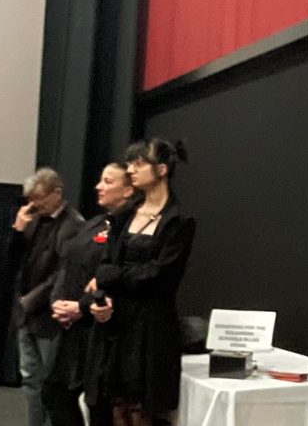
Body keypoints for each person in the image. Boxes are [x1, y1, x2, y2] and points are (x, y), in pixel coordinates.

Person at [86, 138, 196, 426]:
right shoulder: (124, 215)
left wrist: (112, 277)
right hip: (117, 323)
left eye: (138, 164)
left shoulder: (179, 220)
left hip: (151, 328)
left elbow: (160, 276)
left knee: (142, 411)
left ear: (161, 170)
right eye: (129, 164)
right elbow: (106, 263)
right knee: (116, 408)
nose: (131, 170)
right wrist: (103, 296)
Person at [41, 163, 136, 426]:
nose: (98, 186)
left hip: (100, 327)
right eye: (100, 180)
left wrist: (81, 307)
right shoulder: (95, 223)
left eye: (108, 181)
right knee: (54, 393)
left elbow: (116, 276)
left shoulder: (131, 228)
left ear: (128, 190)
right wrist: (57, 301)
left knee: (99, 406)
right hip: (71, 328)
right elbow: (67, 263)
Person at [12, 167, 84, 426]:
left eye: (39, 198)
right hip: (26, 313)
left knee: (51, 383)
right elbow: (13, 261)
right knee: (30, 379)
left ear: (57, 193)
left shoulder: (74, 224)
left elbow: (62, 273)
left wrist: (32, 299)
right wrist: (17, 231)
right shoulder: (32, 218)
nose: (34, 204)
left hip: (50, 316)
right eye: (30, 199)